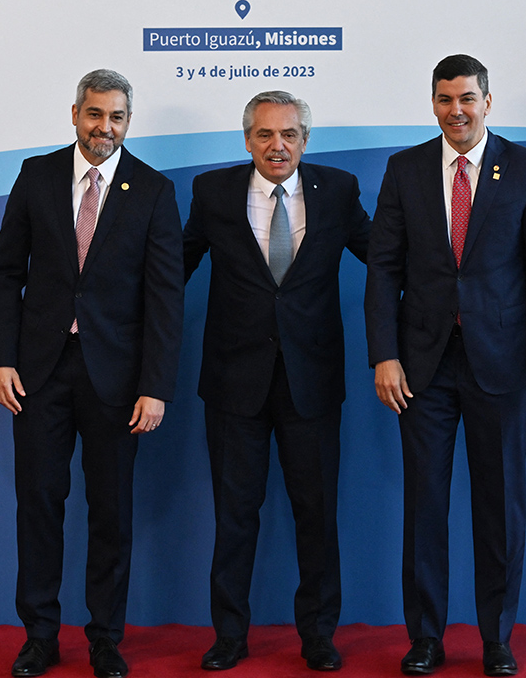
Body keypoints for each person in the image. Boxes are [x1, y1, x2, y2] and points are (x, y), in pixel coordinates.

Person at [364, 55, 526, 677]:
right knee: (424, 505)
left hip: (502, 363)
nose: (455, 110)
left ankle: (496, 639)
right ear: (433, 103)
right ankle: (425, 638)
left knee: (500, 506)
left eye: (466, 98)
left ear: (487, 101)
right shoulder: (404, 169)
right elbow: (383, 270)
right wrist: (384, 354)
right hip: (420, 367)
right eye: (444, 99)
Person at [0, 69, 184, 678]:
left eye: (116, 117)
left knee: (111, 511)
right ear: (75, 114)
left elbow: (165, 297)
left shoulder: (153, 190)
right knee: (38, 504)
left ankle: (105, 639)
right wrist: (1, 358)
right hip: (38, 375)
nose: (105, 127)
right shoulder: (36, 175)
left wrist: (155, 386)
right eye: (95, 114)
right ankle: (39, 637)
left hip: (118, 382)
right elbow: (5, 274)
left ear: (128, 122)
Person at [183, 91, 371, 672]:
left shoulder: (338, 191)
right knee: (234, 516)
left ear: (305, 140)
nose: (277, 145)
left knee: (316, 515)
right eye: (264, 134)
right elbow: (172, 268)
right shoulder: (212, 193)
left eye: (289, 134)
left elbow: (385, 258)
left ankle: (318, 635)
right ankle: (229, 637)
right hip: (233, 384)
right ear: (247, 140)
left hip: (311, 382)